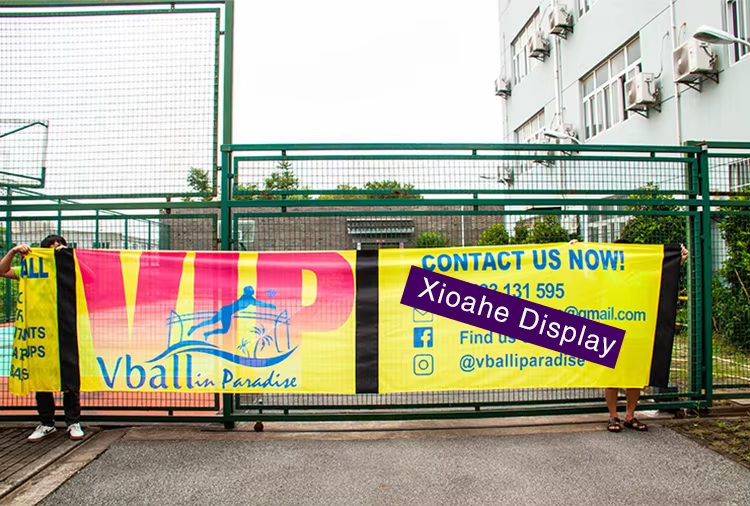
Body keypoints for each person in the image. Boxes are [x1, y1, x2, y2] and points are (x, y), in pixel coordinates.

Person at [569, 238, 689, 432]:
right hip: (610, 330)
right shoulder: (604, 274)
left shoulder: (640, 274)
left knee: (634, 375)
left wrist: (678, 260)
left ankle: (630, 416)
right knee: (611, 376)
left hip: (637, 331)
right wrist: (575, 251)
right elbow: (583, 275)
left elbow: (661, 274)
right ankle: (613, 416)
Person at [0, 234, 84, 442]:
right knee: (41, 378)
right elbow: (3, 270)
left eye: (59, 245)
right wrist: (13, 251)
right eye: (50, 247)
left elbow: (90, 276)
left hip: (65, 330)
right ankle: (47, 423)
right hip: (39, 333)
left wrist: (67, 255)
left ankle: (73, 422)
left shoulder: (71, 269)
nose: (55, 249)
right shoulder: (30, 269)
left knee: (70, 377)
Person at [187, 285, 277, 340]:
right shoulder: (248, 298)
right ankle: (195, 327)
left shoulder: (250, 299)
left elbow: (259, 303)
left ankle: (207, 333)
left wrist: (270, 306)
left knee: (223, 329)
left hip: (227, 312)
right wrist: (270, 306)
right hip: (226, 311)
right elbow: (260, 303)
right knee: (213, 321)